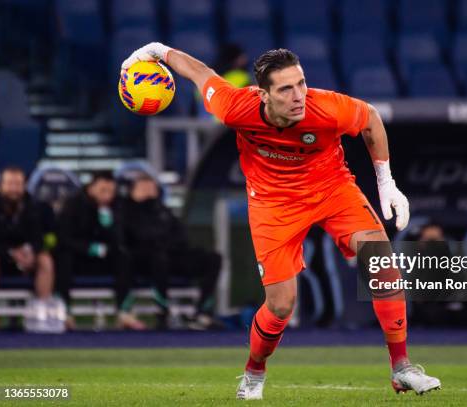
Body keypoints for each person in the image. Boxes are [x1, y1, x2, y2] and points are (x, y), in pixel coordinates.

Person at [121, 44, 440, 399]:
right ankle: (254, 373)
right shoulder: (234, 107)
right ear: (263, 94)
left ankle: (402, 368)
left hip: (331, 189)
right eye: (286, 89)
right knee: (281, 304)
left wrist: (386, 183)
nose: (298, 95)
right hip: (273, 204)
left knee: (381, 261)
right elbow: (199, 72)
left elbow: (371, 121)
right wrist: (157, 51)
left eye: (301, 83)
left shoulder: (327, 107)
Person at [122, 174, 222, 329]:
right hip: (143, 261)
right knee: (158, 257)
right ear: (132, 191)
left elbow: (180, 237)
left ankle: (202, 312)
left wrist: (167, 244)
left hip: (171, 256)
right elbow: (135, 238)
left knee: (213, 258)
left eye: (152, 188)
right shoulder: (125, 211)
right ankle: (162, 312)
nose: (149, 192)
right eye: (143, 188)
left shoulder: (163, 211)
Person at [57, 171, 145, 330]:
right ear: (91, 188)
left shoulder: (117, 205)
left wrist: (110, 226)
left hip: (105, 257)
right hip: (79, 258)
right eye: (103, 190)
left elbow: (121, 240)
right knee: (63, 257)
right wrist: (88, 248)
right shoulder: (73, 204)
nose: (107, 195)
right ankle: (64, 313)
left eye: (111, 191)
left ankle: (124, 312)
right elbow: (64, 238)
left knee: (124, 257)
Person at [0, 167, 55, 319]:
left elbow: (41, 238)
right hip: (1, 257)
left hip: (27, 258)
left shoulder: (36, 207)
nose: (14, 189)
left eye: (18, 184)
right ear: (0, 186)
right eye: (10, 184)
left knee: (45, 260)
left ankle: (42, 313)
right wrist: (10, 252)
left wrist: (30, 251)